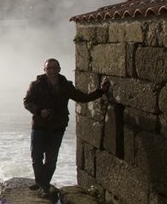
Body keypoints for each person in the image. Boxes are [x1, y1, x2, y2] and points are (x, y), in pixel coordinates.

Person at [23, 58, 110, 196]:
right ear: (44, 70)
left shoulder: (65, 86)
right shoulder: (36, 85)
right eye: (49, 68)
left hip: (57, 126)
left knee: (51, 159)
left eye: (54, 68)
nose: (51, 70)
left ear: (59, 69)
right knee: (36, 156)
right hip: (39, 125)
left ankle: (43, 184)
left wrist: (101, 91)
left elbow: (83, 98)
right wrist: (39, 111)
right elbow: (27, 102)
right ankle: (42, 183)